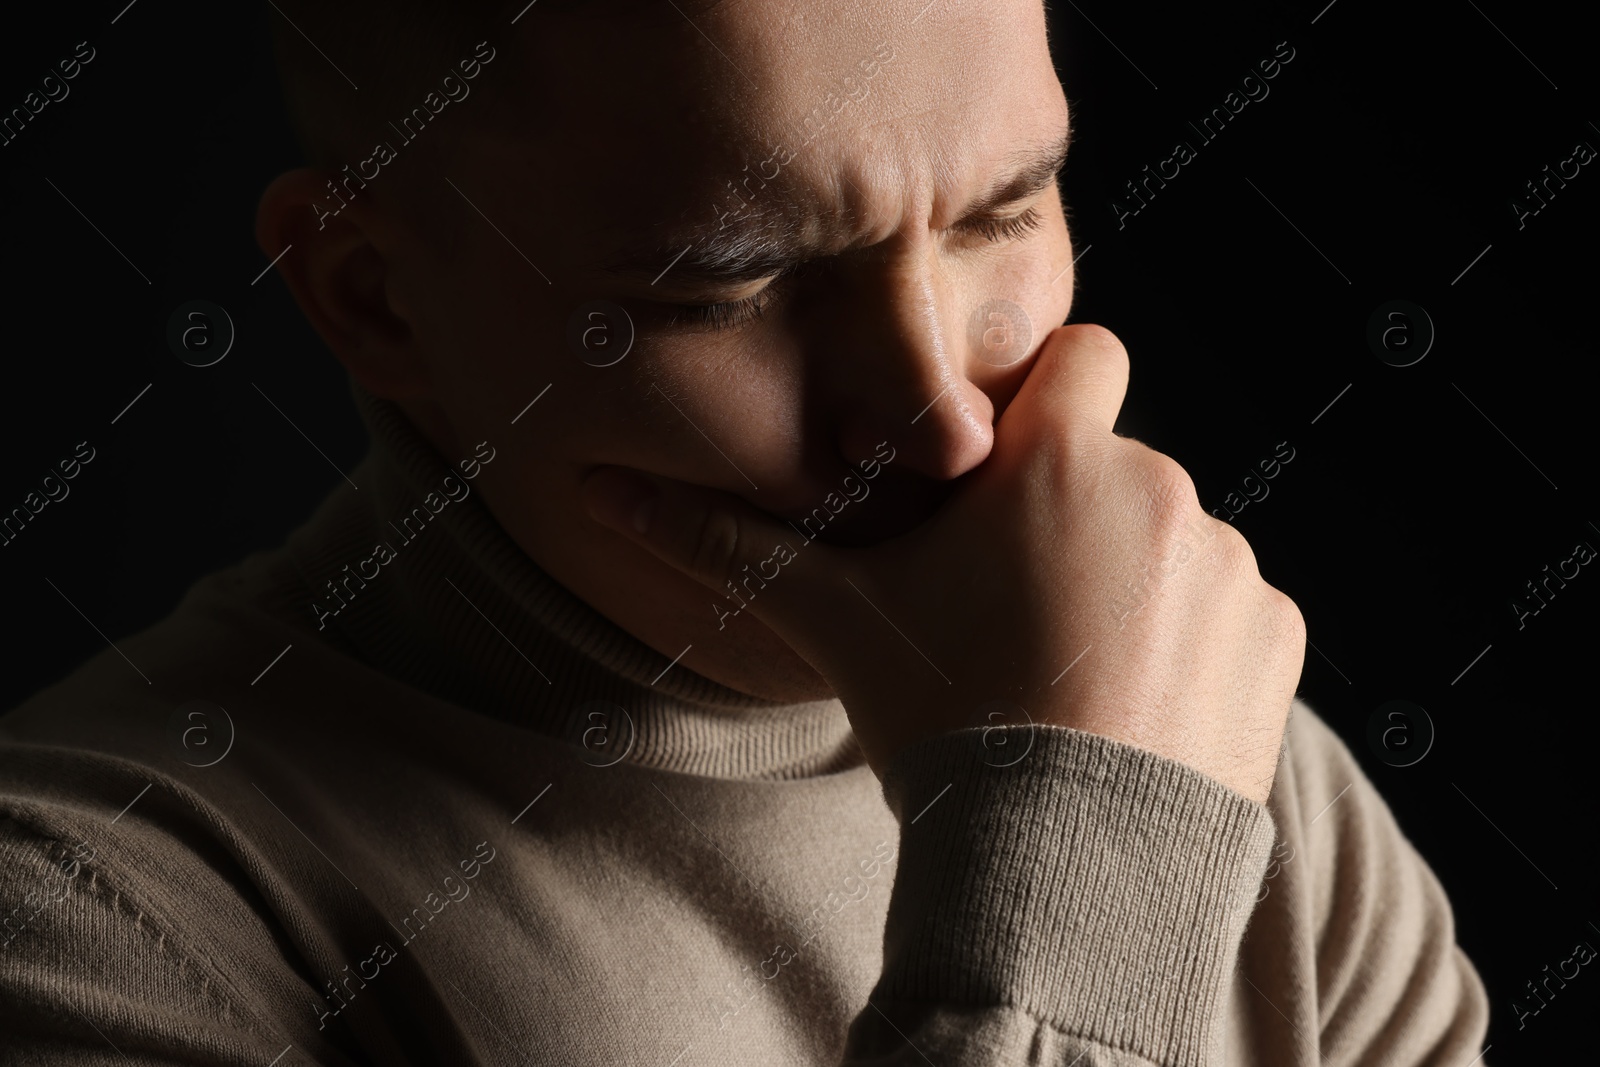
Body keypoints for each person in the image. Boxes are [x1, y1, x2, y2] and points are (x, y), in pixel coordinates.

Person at [0, 0, 1489, 1062]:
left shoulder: (1201, 729)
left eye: (1005, 211)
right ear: (371, 297)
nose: (937, 420)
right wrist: (1084, 865)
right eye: (733, 284)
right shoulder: (94, 919)